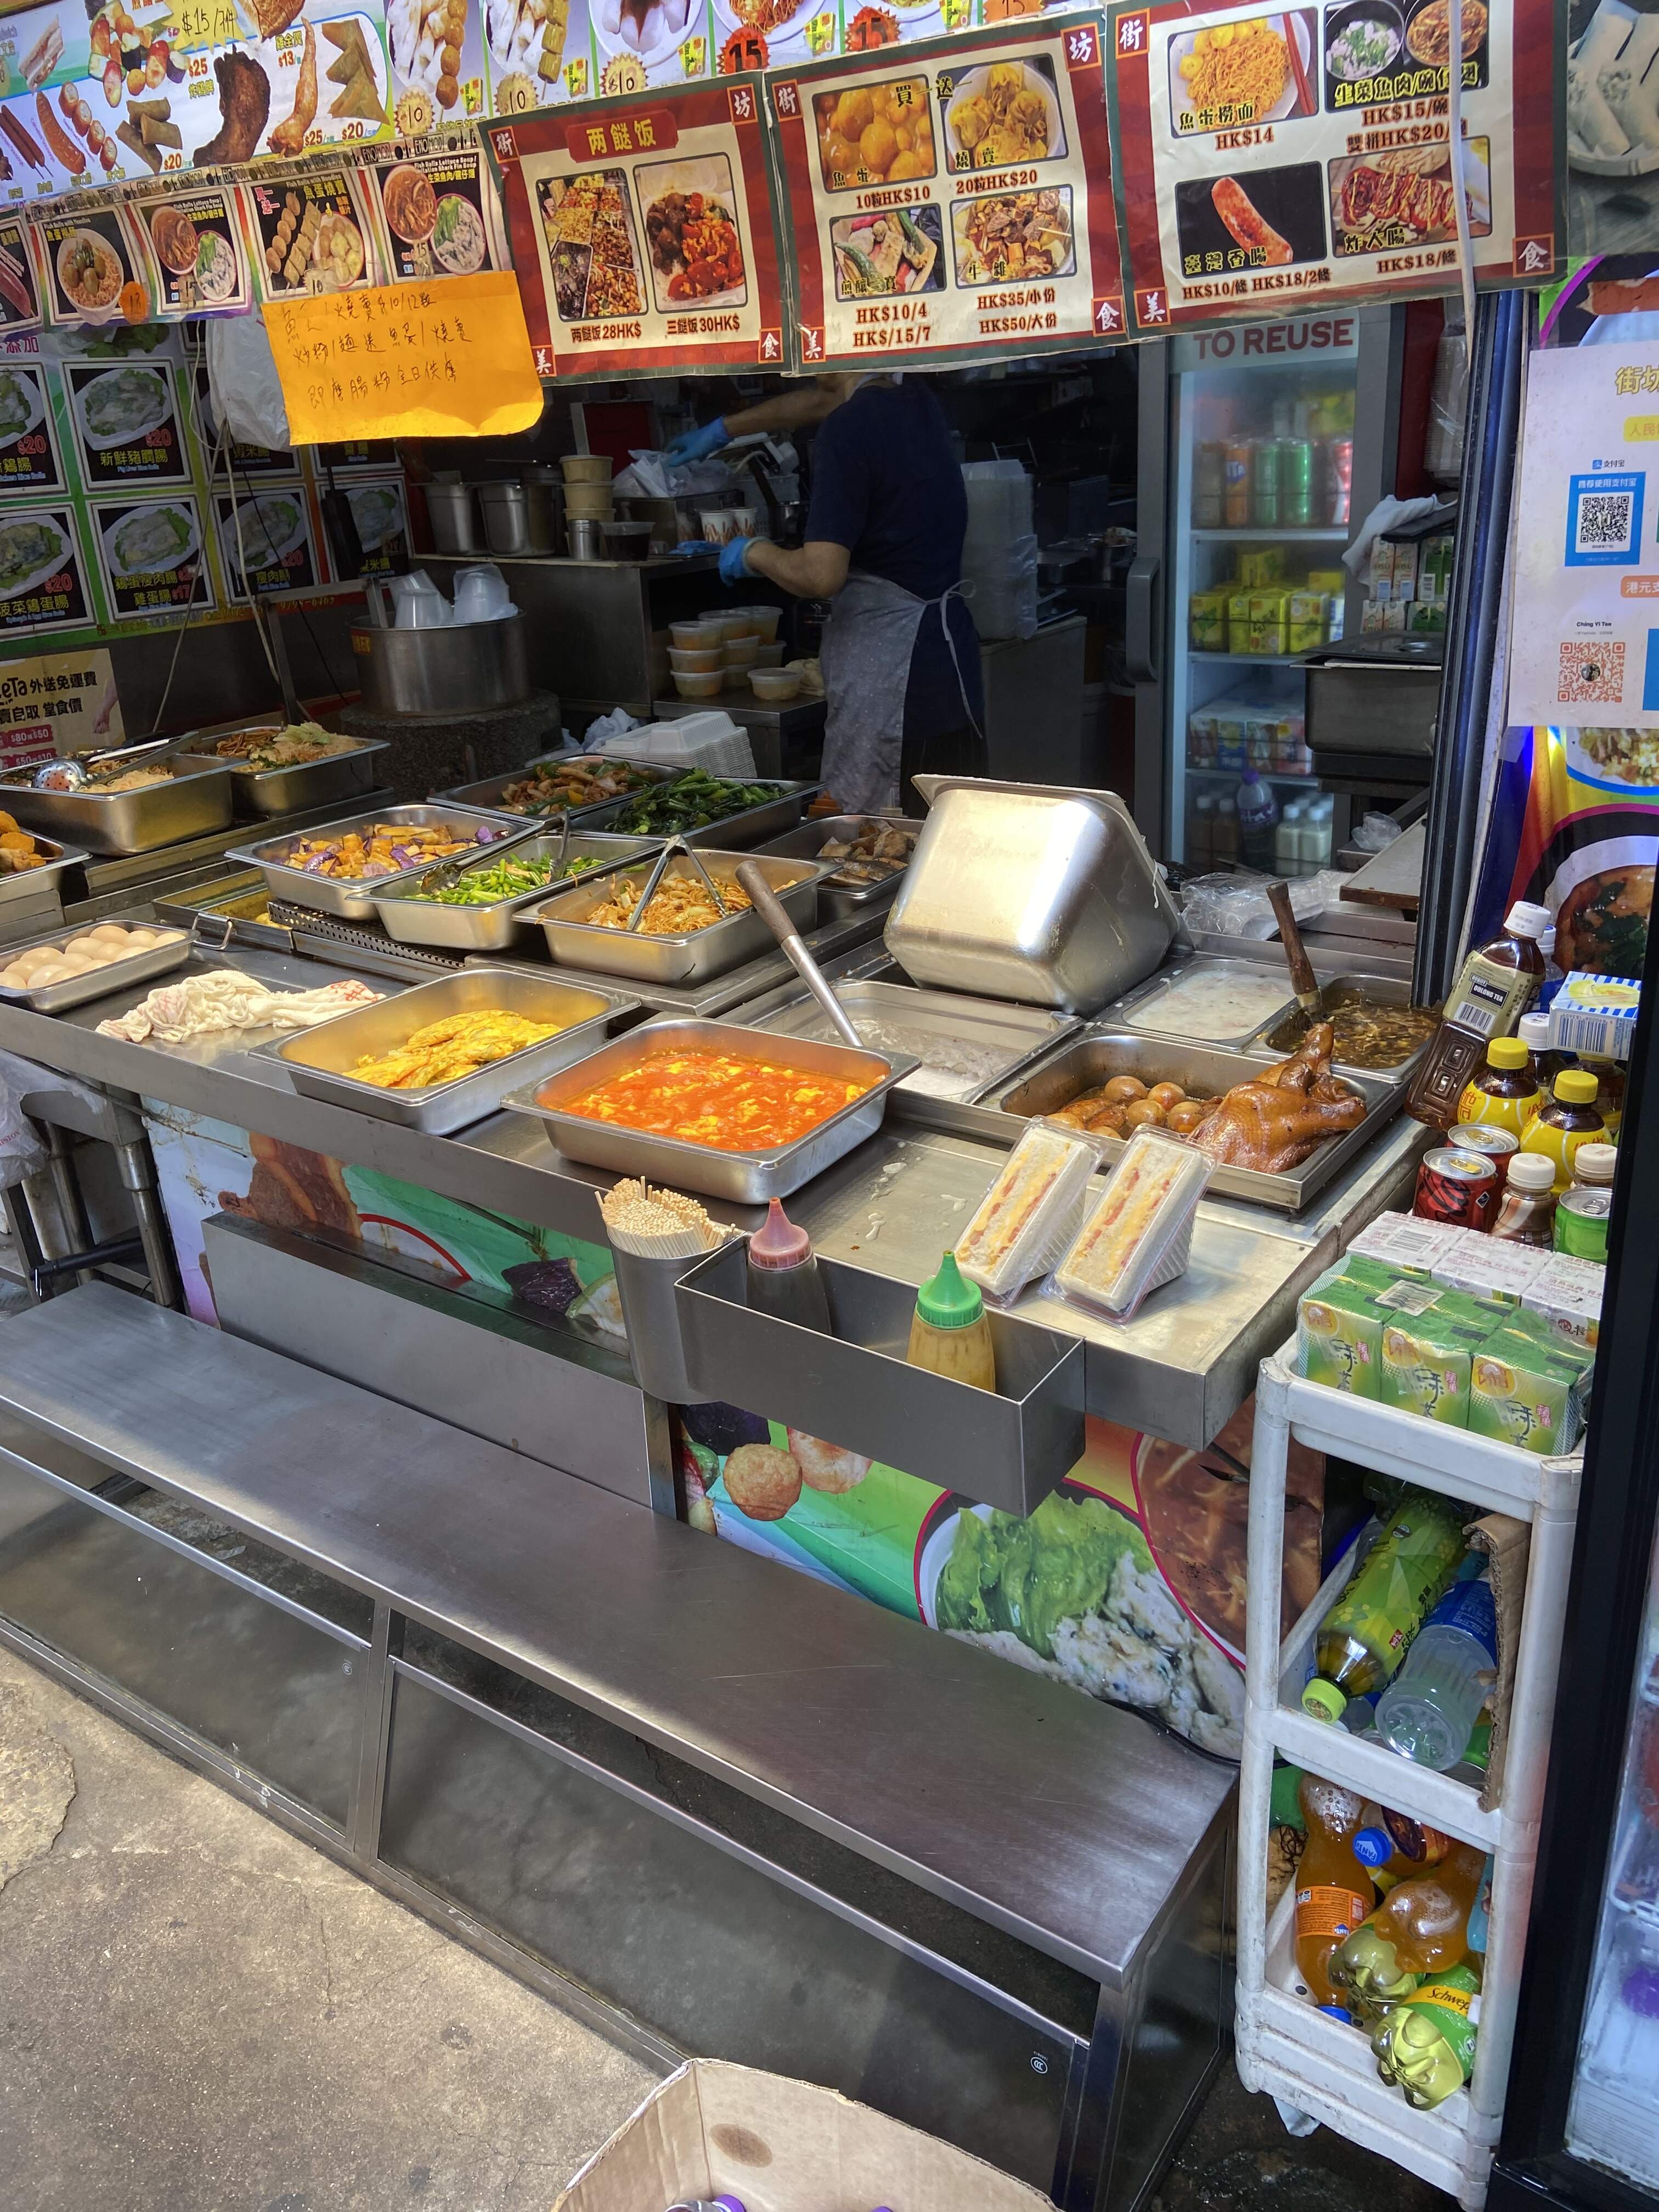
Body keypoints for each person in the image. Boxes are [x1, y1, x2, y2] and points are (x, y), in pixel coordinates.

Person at [666, 373, 984, 814]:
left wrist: (754, 553)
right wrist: (724, 430)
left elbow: (820, 575)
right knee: (947, 832)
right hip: (949, 668)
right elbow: (824, 401)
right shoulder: (915, 399)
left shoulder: (848, 427)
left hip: (893, 682)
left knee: (876, 838)